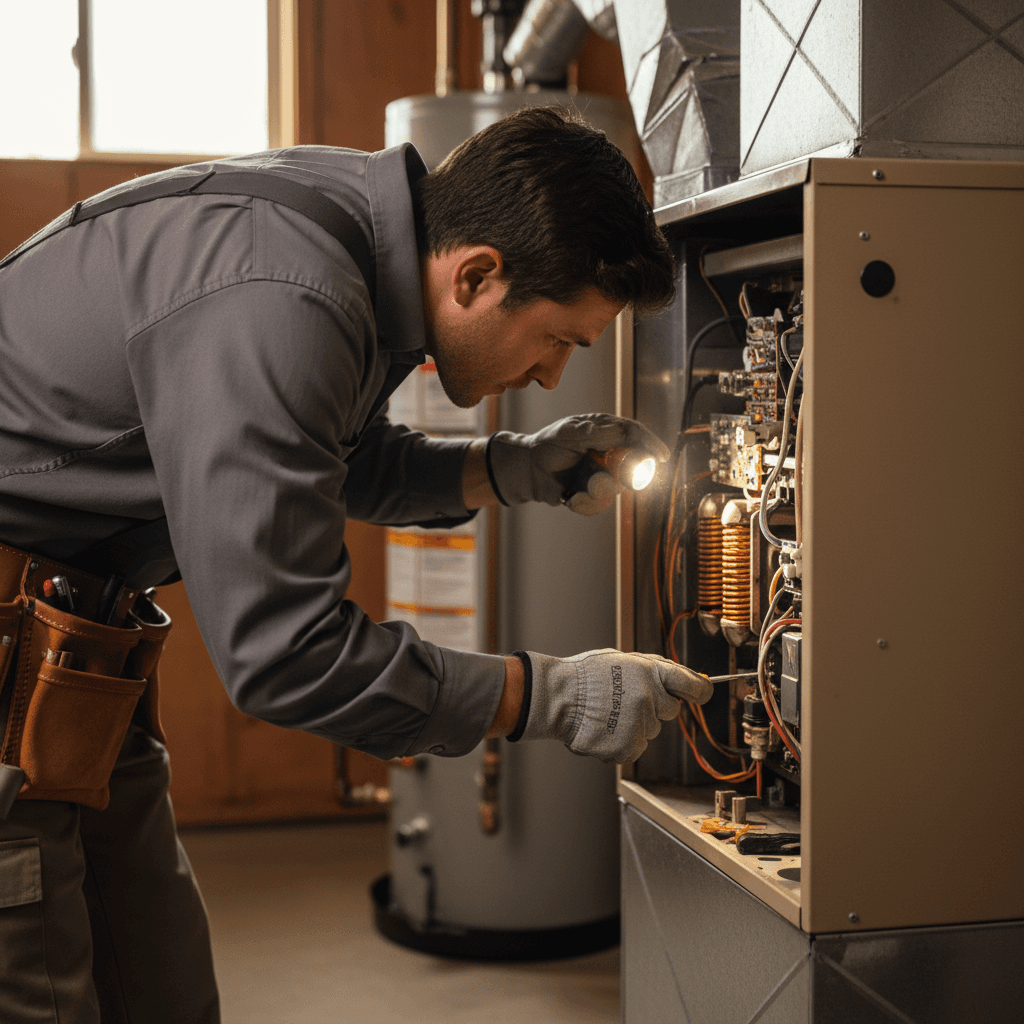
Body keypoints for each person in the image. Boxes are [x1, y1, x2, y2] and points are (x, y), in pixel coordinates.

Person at [0, 105, 712, 1022]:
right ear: (478, 275)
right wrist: (548, 695)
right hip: (18, 649)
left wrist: (508, 467)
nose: (548, 377)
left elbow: (321, 450)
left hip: (73, 647)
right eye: (560, 341)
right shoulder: (290, 292)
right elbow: (287, 654)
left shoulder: (361, 229)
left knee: (159, 984)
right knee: (40, 990)